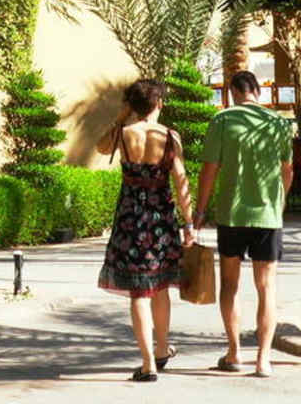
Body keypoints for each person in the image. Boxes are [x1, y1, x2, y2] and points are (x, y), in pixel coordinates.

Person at [192, 70, 294, 377]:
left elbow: (209, 170)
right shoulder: (278, 123)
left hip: (231, 214)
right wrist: (279, 202)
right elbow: (287, 170)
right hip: (267, 216)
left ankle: (234, 352)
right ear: (257, 92)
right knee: (267, 287)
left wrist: (200, 210)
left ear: (233, 92)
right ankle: (263, 360)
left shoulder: (222, 120)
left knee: (230, 284)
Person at [97, 78, 197, 382]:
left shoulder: (124, 133)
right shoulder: (170, 137)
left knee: (138, 292)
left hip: (130, 218)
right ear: (159, 104)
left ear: (133, 106)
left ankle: (148, 362)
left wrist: (120, 117)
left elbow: (101, 147)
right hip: (161, 217)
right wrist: (189, 223)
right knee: (160, 285)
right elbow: (181, 181)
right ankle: (162, 347)